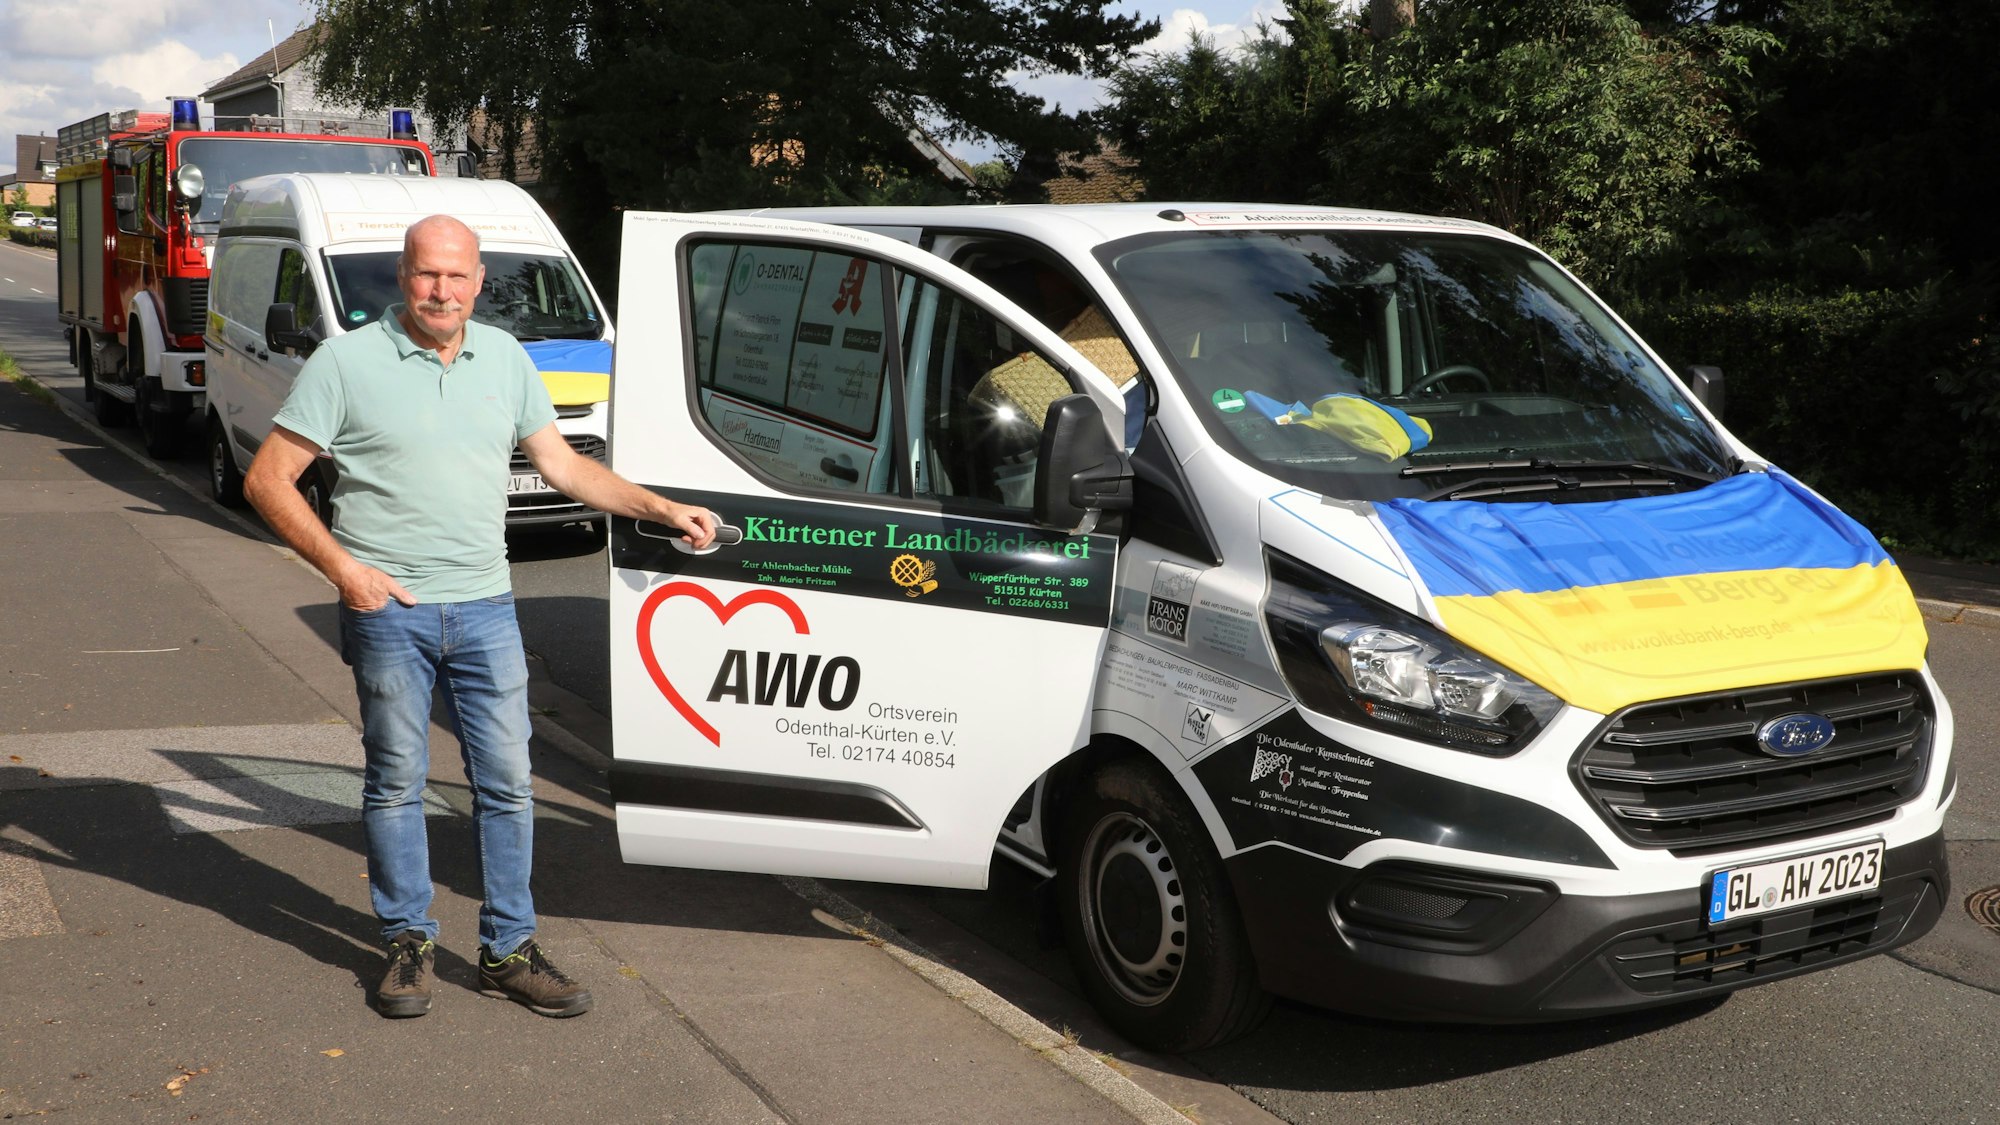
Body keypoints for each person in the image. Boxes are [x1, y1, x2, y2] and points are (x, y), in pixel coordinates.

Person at [243, 214, 717, 1020]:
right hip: (390, 610)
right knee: (396, 781)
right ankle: (408, 943)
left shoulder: (504, 355)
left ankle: (506, 949)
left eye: (458, 276)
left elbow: (563, 464)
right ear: (403, 276)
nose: (443, 291)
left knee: (507, 783)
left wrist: (661, 507)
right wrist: (346, 572)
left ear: (478, 280)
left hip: (488, 606)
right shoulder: (346, 362)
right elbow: (268, 479)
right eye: (428, 274)